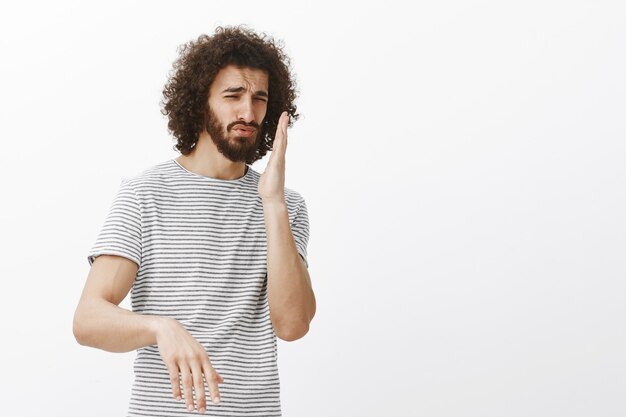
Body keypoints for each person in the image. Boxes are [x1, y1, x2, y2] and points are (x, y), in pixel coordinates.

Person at [73, 26, 316, 416]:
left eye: (259, 99)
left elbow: (292, 325)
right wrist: (159, 327)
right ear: (200, 101)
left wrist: (272, 203)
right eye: (232, 96)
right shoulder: (144, 194)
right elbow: (88, 319)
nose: (247, 113)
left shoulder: (287, 206)